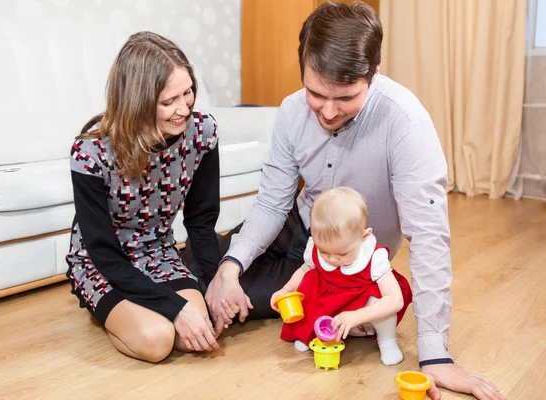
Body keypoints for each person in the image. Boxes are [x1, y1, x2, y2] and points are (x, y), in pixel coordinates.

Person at [203, 2, 503, 399]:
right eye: (315, 93)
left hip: (344, 259)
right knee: (201, 271)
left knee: (241, 304)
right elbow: (273, 203)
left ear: (374, 71)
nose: (328, 111)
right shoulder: (293, 112)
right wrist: (230, 267)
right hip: (299, 225)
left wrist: (434, 355)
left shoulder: (405, 123)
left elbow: (428, 238)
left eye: (345, 97)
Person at [65, 31, 221, 363]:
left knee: (200, 329)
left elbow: (201, 220)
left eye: (188, 92)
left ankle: (137, 311)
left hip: (157, 253)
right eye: (169, 101)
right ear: (138, 100)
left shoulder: (202, 133)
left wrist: (211, 286)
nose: (184, 108)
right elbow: (102, 251)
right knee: (157, 341)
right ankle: (114, 311)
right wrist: (175, 308)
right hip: (103, 264)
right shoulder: (91, 152)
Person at [270, 187, 413, 366]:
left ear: (364, 236)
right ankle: (313, 333)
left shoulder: (373, 257)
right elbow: (304, 270)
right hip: (332, 301)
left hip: (362, 311)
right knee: (309, 282)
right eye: (324, 251)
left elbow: (395, 300)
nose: (332, 259)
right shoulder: (316, 246)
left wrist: (357, 316)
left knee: (379, 301)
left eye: (343, 253)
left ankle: (387, 341)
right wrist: (286, 289)